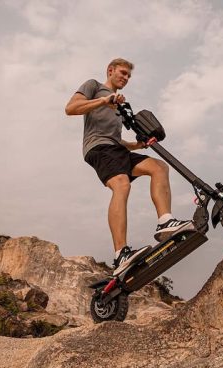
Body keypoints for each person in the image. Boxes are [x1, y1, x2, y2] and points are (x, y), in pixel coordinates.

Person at [65, 58, 193, 275]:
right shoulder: (94, 86)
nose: (125, 78)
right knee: (121, 184)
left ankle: (165, 222)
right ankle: (120, 253)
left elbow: (116, 138)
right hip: (98, 149)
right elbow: (71, 108)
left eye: (128, 76)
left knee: (158, 167)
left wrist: (137, 145)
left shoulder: (119, 104)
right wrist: (103, 101)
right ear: (110, 70)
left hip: (115, 148)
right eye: (122, 73)